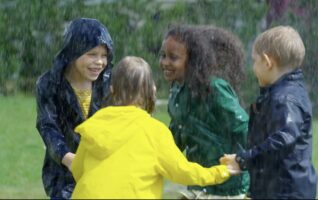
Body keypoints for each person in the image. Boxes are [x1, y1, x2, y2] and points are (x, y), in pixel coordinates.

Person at [70, 56, 239, 199]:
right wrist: (222, 171)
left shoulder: (95, 125)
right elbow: (183, 172)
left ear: (113, 90)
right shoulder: (154, 131)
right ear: (152, 90)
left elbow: (78, 170)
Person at [220, 25, 318, 199]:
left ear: (267, 62)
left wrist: (244, 160)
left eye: (255, 61)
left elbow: (282, 141)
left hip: (285, 193)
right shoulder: (286, 93)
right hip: (279, 188)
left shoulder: (285, 99)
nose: (253, 68)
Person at [159, 25, 249, 199]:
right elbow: (177, 134)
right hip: (200, 182)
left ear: (192, 60)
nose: (165, 62)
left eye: (173, 57)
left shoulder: (214, 89)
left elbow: (244, 128)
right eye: (163, 55)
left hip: (228, 187)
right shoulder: (177, 91)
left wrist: (248, 162)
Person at [35, 18, 114, 199]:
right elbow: (47, 126)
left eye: (104, 55)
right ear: (73, 51)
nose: (100, 62)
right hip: (62, 176)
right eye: (92, 54)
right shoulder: (49, 84)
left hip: (103, 172)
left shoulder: (109, 84)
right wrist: (68, 158)